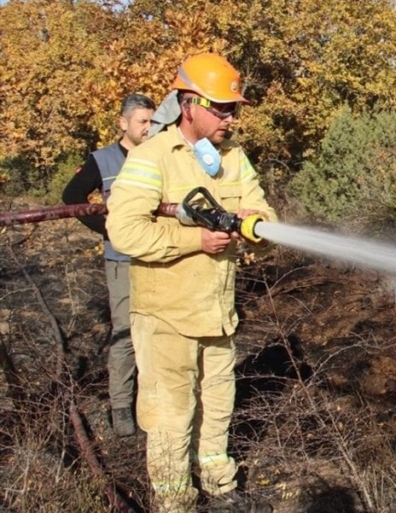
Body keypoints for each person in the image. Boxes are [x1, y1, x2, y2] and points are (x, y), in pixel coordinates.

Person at [106, 53, 276, 513]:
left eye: (234, 108)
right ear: (189, 104)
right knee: (170, 416)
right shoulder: (151, 157)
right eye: (221, 108)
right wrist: (194, 240)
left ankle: (220, 487)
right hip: (166, 316)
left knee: (218, 406)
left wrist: (254, 224)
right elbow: (124, 230)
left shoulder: (234, 158)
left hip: (218, 314)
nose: (230, 117)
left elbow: (266, 216)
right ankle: (175, 501)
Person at [62, 92, 156, 437]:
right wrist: (111, 230)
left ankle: (154, 402)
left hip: (159, 256)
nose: (148, 129)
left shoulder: (159, 155)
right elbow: (71, 198)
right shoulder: (102, 161)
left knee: (158, 331)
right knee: (125, 333)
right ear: (123, 123)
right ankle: (120, 406)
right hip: (123, 260)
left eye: (152, 121)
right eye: (142, 122)